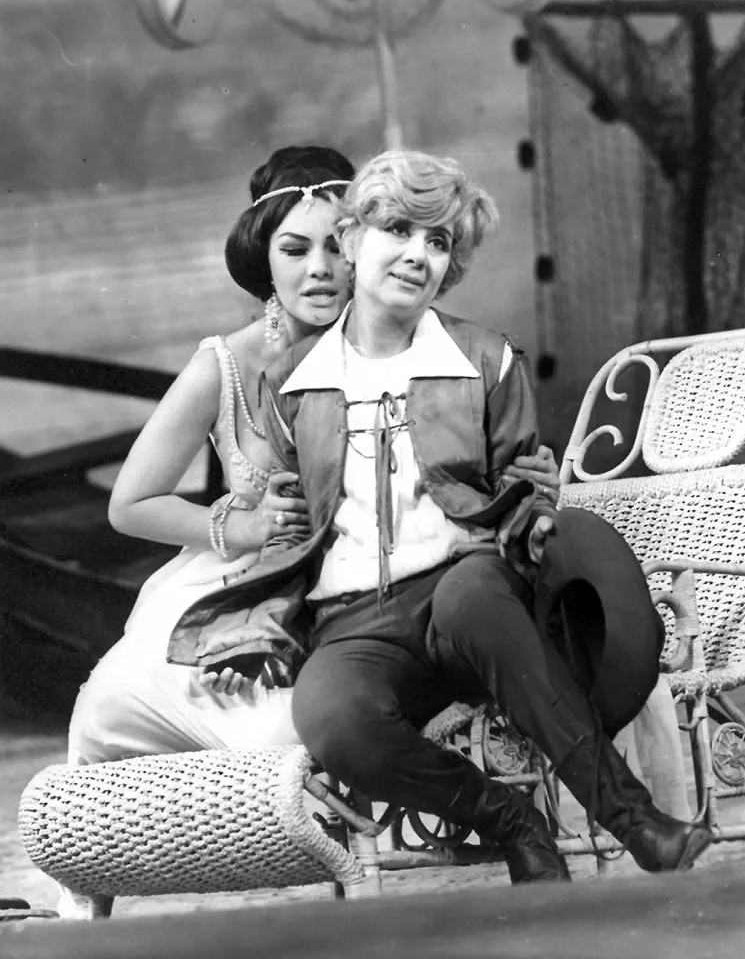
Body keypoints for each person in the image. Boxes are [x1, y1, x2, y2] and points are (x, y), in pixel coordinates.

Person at [170, 149, 712, 883]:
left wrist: (535, 508)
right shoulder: (290, 382)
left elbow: (522, 486)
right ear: (352, 238)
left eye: (438, 241)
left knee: (471, 598)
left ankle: (634, 819)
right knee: (333, 720)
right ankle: (510, 821)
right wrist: (257, 626)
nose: (417, 254)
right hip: (353, 617)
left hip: (469, 585)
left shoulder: (486, 358)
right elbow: (296, 529)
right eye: (398, 230)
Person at [67, 144, 561, 766]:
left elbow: (469, 463)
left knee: (300, 730)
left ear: (359, 244)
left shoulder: (424, 341)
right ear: (264, 259)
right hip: (254, 580)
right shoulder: (224, 365)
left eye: (334, 246)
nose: (321, 270)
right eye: (295, 250)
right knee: (121, 707)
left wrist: (525, 478)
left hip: (383, 583)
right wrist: (246, 525)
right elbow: (130, 504)